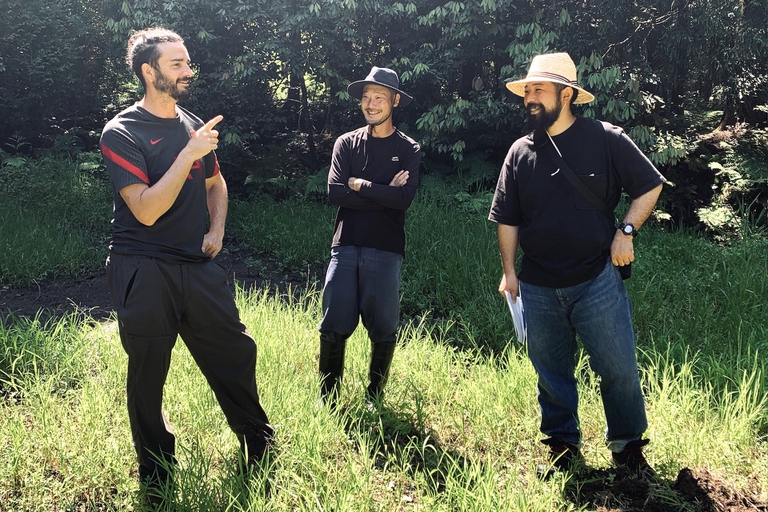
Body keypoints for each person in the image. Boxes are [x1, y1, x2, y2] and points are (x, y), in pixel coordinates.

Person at [99, 27, 273, 498]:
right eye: (176, 64)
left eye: (187, 61)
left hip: (196, 265)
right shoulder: (122, 131)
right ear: (148, 71)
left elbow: (217, 184)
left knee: (236, 350)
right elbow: (147, 209)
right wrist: (189, 152)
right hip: (143, 265)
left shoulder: (190, 124)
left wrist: (216, 230)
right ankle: (157, 471)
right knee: (149, 369)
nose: (188, 71)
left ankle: (258, 442)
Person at [488, 53, 665, 476]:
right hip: (537, 283)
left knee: (618, 366)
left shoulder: (606, 139)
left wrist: (625, 231)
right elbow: (507, 218)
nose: (529, 97)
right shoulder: (519, 151)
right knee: (551, 371)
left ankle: (627, 447)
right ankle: (562, 443)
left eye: (538, 90)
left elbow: (650, 185)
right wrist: (509, 271)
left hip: (595, 280)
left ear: (566, 95)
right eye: (527, 90)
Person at [317, 67, 421, 409]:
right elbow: (334, 193)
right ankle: (327, 398)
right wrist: (384, 192)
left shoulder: (408, 148)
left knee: (384, 325)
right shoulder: (346, 143)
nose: (370, 104)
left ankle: (374, 398)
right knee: (334, 320)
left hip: (385, 248)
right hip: (345, 245)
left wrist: (361, 185)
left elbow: (404, 199)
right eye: (366, 97)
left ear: (394, 101)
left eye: (378, 97)